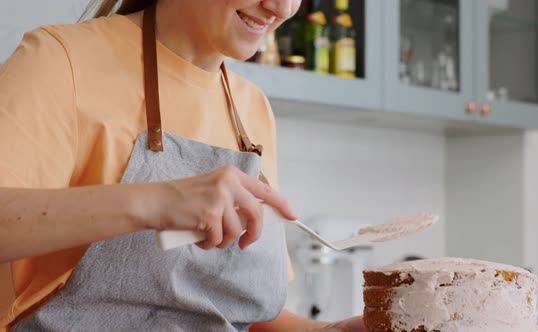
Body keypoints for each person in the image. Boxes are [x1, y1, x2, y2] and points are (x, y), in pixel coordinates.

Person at [0, 0, 365, 331]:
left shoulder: (253, 108)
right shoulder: (61, 58)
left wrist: (333, 331)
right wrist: (155, 203)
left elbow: (236, 316)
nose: (282, 8)